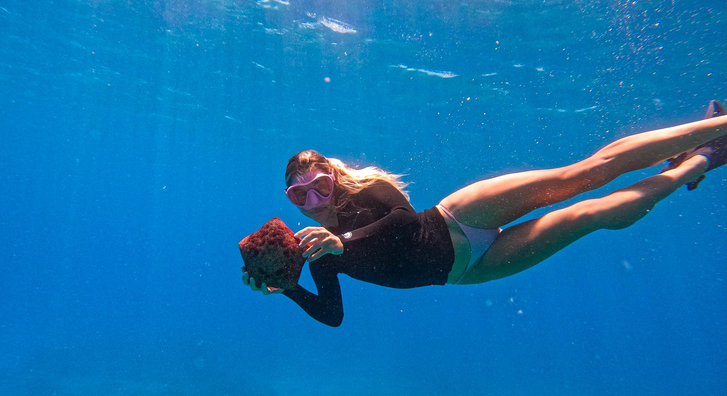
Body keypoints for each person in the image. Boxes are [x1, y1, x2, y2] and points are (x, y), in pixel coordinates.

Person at [242, 101, 727, 327]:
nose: (316, 201)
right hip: (467, 269)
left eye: (319, 186)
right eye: (299, 197)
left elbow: (407, 224)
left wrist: (343, 241)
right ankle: (705, 157)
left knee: (581, 177)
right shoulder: (314, 249)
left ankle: (715, 125)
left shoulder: (371, 188)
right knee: (592, 216)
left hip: (456, 218)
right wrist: (288, 288)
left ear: (333, 175)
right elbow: (332, 316)